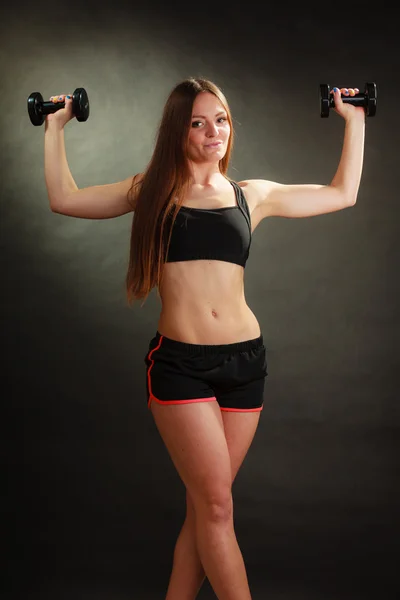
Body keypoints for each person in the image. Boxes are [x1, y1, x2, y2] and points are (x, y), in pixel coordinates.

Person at [44, 78, 365, 600]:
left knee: (203, 512)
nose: (214, 131)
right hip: (180, 369)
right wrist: (54, 128)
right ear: (179, 131)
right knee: (216, 508)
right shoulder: (149, 191)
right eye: (198, 122)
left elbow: (342, 193)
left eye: (221, 119)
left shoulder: (249, 196)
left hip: (246, 367)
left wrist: (353, 121)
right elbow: (63, 199)